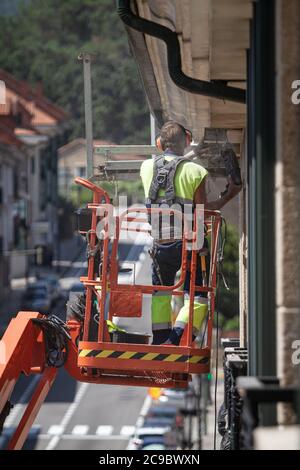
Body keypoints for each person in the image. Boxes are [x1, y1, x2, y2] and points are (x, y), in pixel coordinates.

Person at [140, 121, 242, 345]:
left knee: (161, 294)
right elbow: (201, 211)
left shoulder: (146, 167)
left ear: (159, 144)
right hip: (189, 244)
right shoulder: (197, 172)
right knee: (197, 297)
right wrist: (227, 197)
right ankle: (176, 339)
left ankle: (160, 342)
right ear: (186, 141)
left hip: (160, 242)